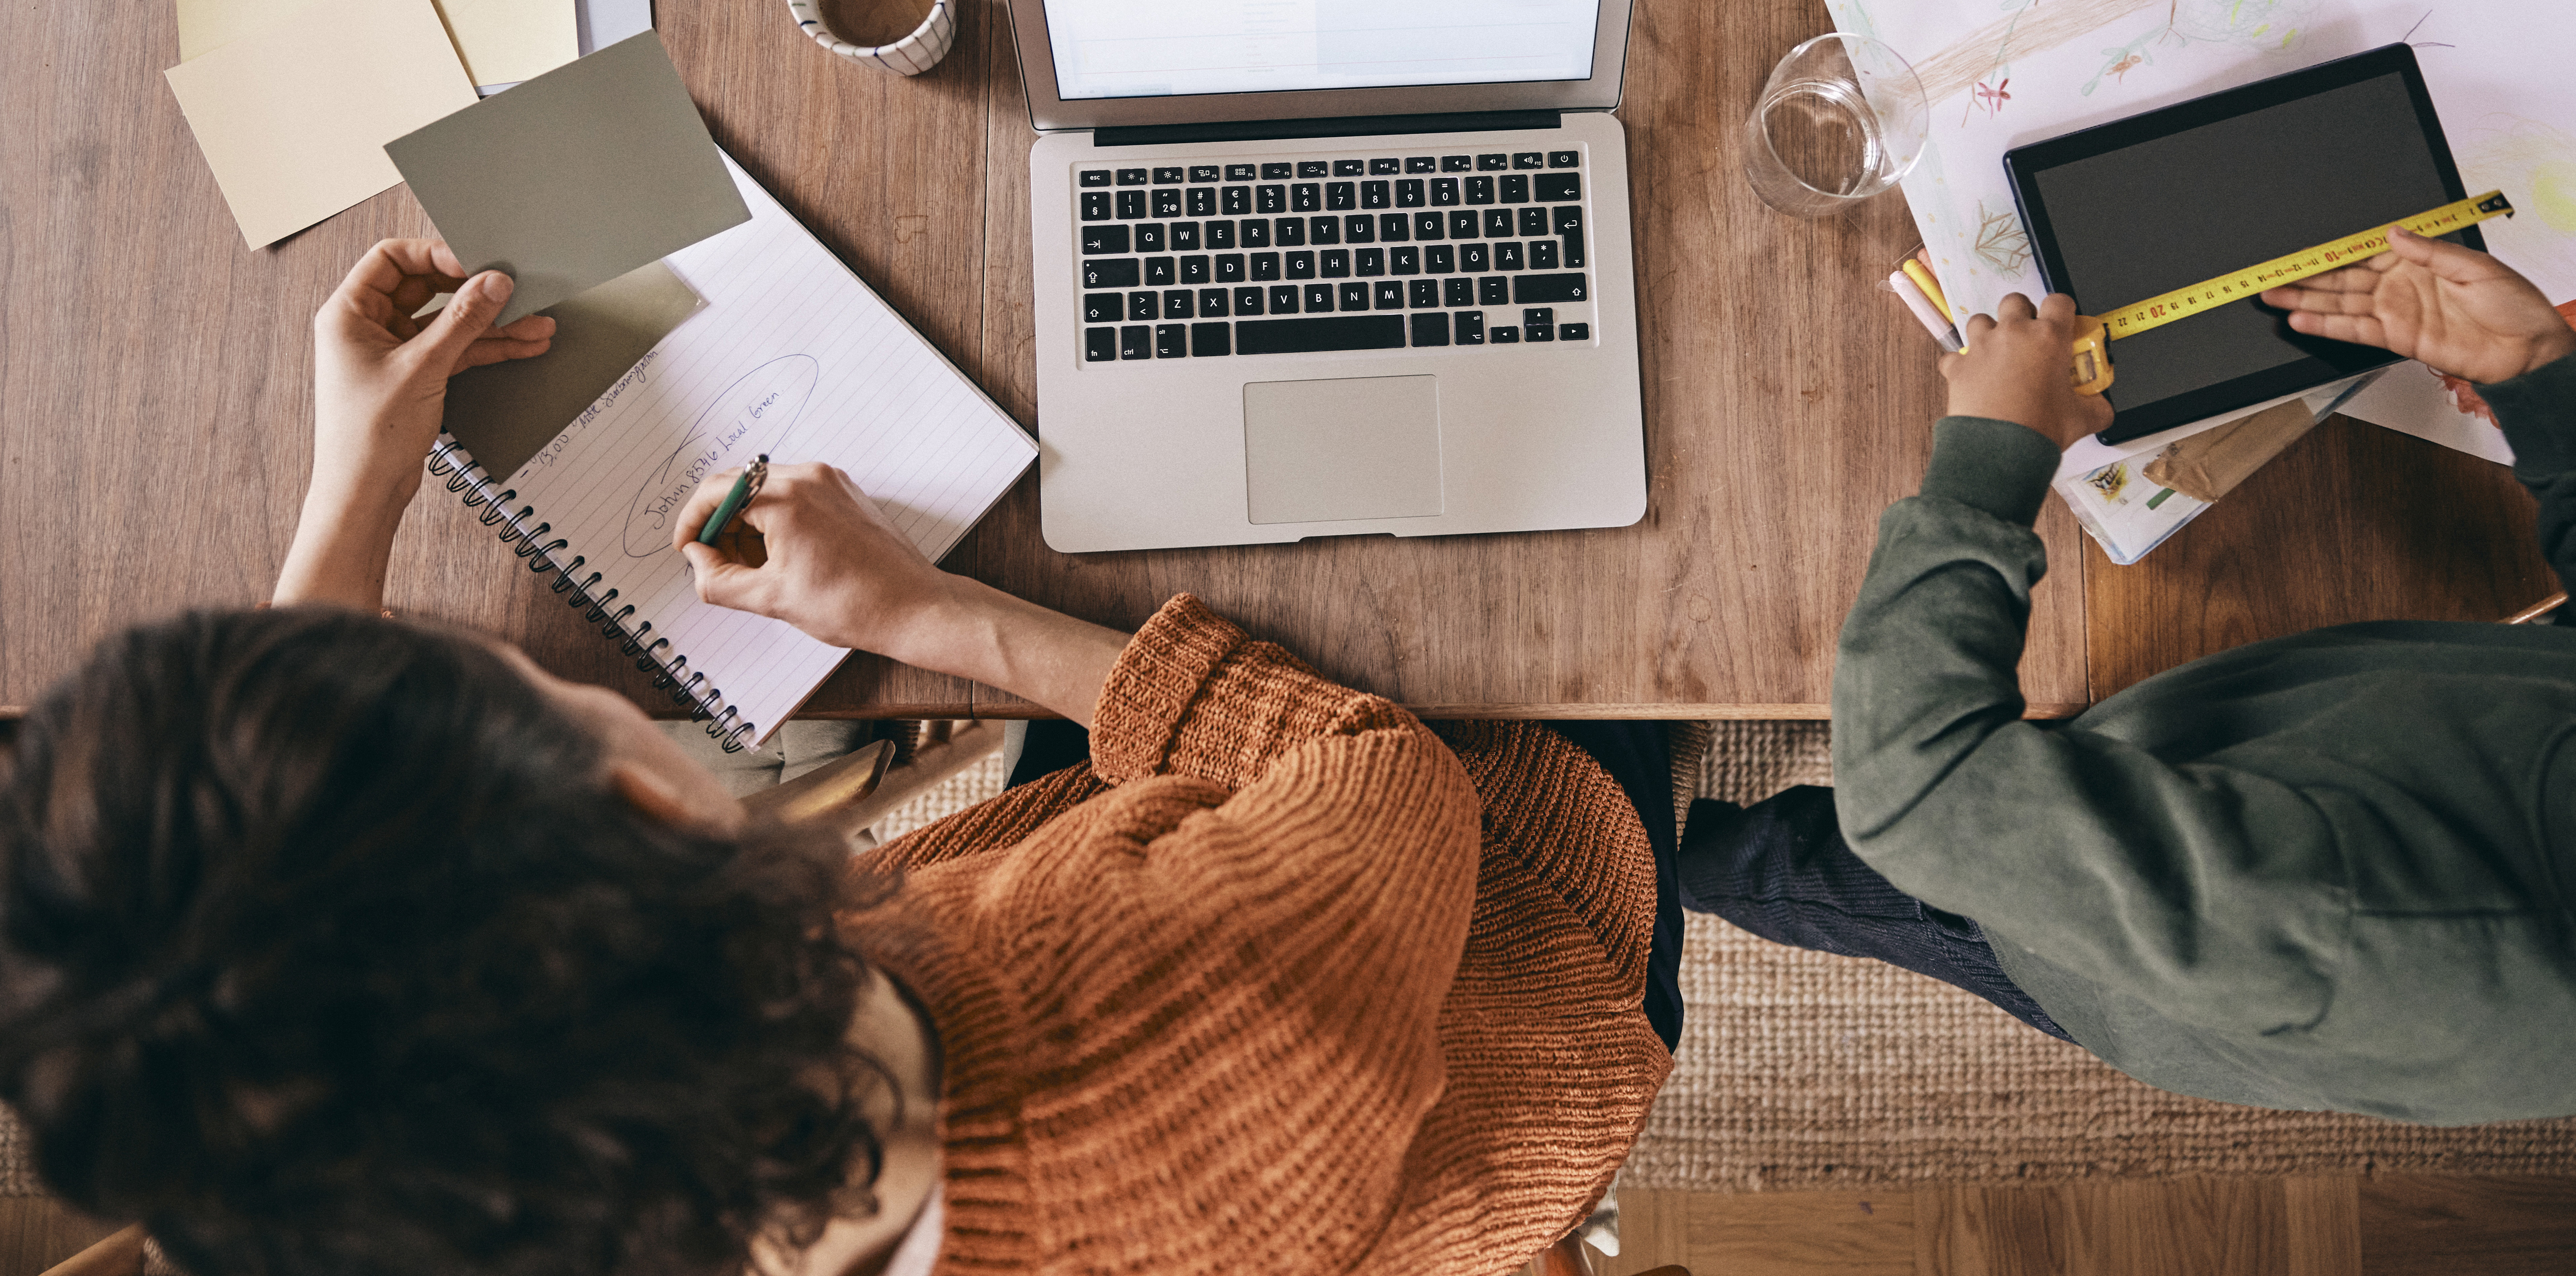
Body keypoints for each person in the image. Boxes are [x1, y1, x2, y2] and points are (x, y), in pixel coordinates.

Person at [0, 240, 1681, 1276]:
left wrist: (356, 481)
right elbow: (1373, 767)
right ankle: (1717, 852)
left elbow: (288, 960)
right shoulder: (1191, 1048)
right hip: (1491, 946)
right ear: (655, 797)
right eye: (498, 679)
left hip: (1108, 893)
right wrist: (918, 609)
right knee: (1604, 630)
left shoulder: (415, 1187)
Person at [1681, 224, 2576, 1121]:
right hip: (2242, 758)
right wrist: (2547, 384)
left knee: (1832, 871)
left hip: (2082, 942)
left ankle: (1676, 861)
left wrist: (1989, 453)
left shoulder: (2346, 928)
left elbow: (1916, 791)